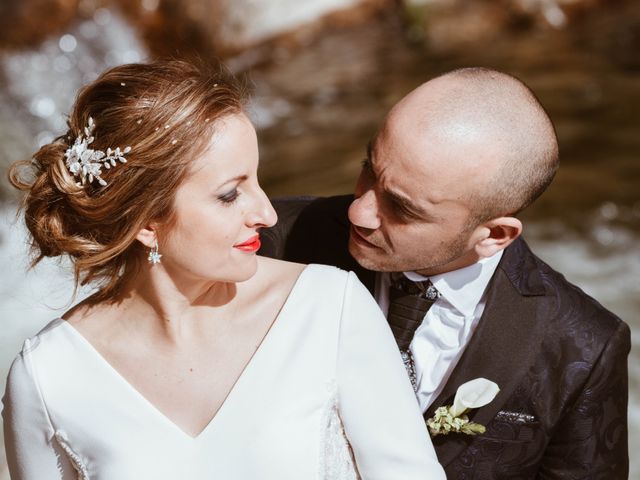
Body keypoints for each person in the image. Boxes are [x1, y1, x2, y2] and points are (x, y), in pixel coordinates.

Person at [2, 60, 446, 480]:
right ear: (146, 223)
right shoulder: (49, 375)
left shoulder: (330, 308)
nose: (268, 214)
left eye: (257, 179)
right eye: (230, 194)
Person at [260, 67, 631, 479]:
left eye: (401, 208)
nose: (359, 211)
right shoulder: (271, 242)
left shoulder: (582, 348)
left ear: (495, 235)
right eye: (369, 167)